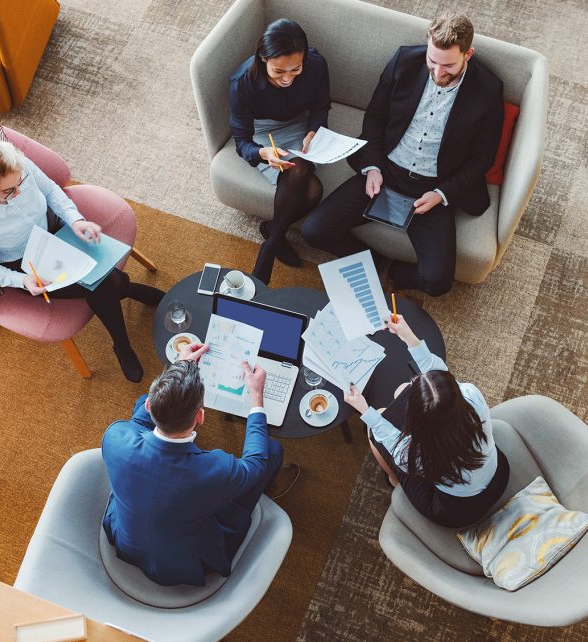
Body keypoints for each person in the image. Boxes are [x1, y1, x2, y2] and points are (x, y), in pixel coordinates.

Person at [302, 13, 504, 296]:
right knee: (313, 231)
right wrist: (372, 166)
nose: (437, 73)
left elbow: (482, 159)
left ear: (468, 54)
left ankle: (397, 273)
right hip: (385, 169)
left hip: (433, 188)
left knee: (437, 283)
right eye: (432, 61)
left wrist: (441, 194)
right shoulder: (404, 60)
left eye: (448, 65)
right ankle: (371, 258)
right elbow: (374, 117)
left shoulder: (489, 90)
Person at [0, 139, 164, 383]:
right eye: (9, 192)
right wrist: (22, 280)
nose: (19, 192)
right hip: (25, 263)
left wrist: (75, 221)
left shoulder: (18, 168)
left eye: (19, 181)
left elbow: (51, 190)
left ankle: (126, 295)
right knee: (103, 283)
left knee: (103, 280)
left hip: (54, 230)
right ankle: (122, 338)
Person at [101, 343, 298, 587]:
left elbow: (139, 419)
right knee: (271, 451)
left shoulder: (115, 436)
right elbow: (255, 464)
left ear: (152, 407)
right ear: (200, 417)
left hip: (128, 541)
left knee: (139, 400)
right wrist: (257, 399)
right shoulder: (214, 470)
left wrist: (179, 369)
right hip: (187, 564)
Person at [342, 315, 509, 528]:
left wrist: (364, 410)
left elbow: (388, 437)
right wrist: (408, 336)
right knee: (401, 390)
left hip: (459, 510)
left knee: (374, 433)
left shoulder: (414, 455)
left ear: (418, 422)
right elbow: (439, 372)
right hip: (499, 474)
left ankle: (395, 480)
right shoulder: (471, 396)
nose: (413, 379)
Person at [229, 18, 331, 284]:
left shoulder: (316, 64)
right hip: (264, 131)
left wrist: (313, 131)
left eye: (295, 70)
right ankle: (273, 243)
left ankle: (271, 237)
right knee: (310, 186)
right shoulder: (242, 83)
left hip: (300, 124)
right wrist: (264, 154)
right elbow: (241, 141)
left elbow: (321, 107)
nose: (287, 79)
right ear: (263, 58)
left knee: (310, 186)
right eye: (278, 72)